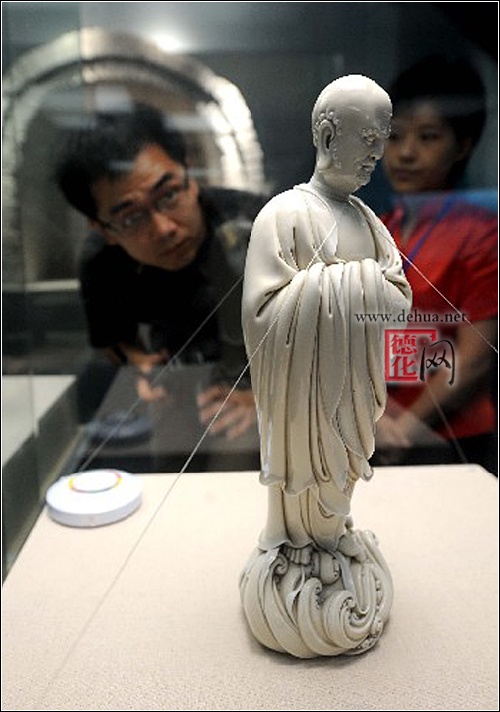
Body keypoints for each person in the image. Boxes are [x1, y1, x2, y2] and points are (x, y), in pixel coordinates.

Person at [239, 75, 411, 658]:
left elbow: (398, 299)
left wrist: (353, 290)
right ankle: (295, 553)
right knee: (305, 483)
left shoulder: (368, 220)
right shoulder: (284, 214)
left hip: (352, 387)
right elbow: (262, 313)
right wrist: (351, 286)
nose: (377, 153)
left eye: (383, 139)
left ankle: (333, 541)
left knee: (341, 478)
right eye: (368, 137)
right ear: (328, 134)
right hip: (302, 397)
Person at [56, 103, 268, 440]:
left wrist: (266, 395)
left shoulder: (258, 225)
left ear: (190, 174)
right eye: (131, 217)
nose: (164, 228)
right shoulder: (102, 263)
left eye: (169, 195)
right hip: (180, 387)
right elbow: (115, 341)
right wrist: (141, 364)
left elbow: (319, 334)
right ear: (103, 229)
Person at [375, 55, 498, 469]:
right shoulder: (379, 229)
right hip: (377, 429)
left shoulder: (482, 233)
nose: (406, 153)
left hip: (451, 436)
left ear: (462, 146)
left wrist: (405, 430)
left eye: (428, 137)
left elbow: (475, 358)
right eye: (394, 136)